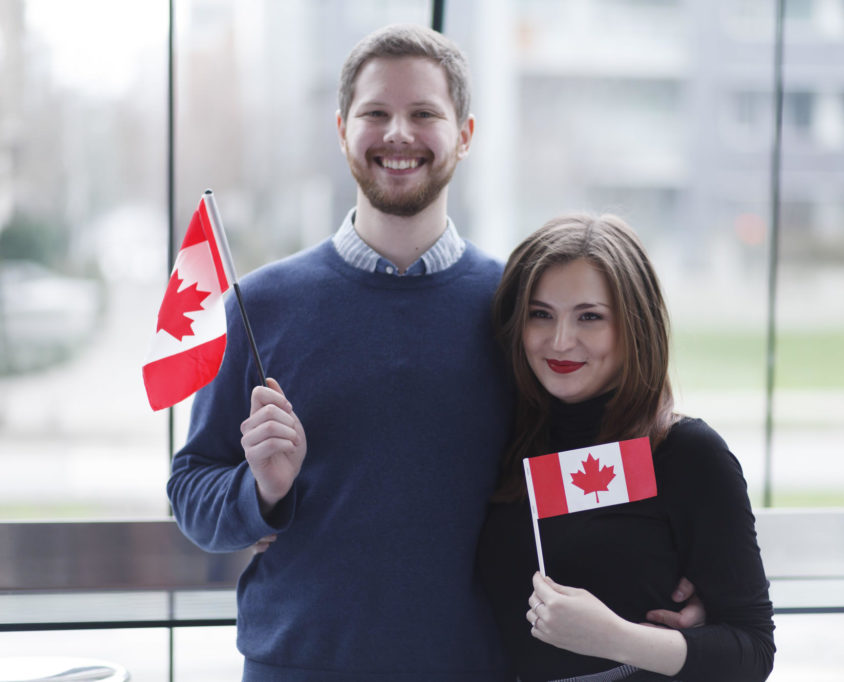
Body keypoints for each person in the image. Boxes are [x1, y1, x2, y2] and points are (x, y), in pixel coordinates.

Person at [168, 23, 705, 680]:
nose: (399, 133)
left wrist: (676, 571)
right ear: (342, 131)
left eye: (424, 113)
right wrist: (263, 489)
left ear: (465, 135)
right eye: (376, 113)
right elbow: (191, 492)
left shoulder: (519, 310)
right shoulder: (260, 305)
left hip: (475, 666)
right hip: (296, 665)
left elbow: (593, 461)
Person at [477, 214, 776, 681]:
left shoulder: (688, 455)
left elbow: (752, 651)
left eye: (589, 317)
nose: (560, 341)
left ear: (635, 326)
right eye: (541, 314)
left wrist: (618, 637)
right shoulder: (499, 442)